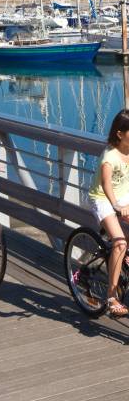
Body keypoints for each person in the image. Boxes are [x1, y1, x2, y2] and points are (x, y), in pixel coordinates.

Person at [89, 109, 129, 316]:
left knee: (123, 245)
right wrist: (116, 205)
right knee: (120, 243)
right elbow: (106, 184)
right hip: (104, 199)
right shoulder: (110, 156)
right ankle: (112, 297)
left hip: (125, 197)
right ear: (120, 134)